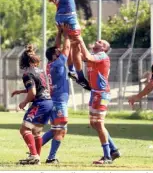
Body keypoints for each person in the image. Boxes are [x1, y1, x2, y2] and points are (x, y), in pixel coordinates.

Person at [73, 36, 120, 164]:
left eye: (101, 42)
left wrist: (81, 40)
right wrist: (75, 46)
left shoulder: (102, 55)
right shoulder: (93, 55)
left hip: (102, 94)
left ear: (104, 48)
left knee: (99, 123)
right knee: (94, 124)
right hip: (95, 93)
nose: (97, 41)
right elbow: (78, 60)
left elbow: (87, 57)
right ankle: (114, 150)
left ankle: (107, 157)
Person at [41, 26, 81, 163]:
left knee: (54, 130)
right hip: (58, 102)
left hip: (54, 101)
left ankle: (34, 150)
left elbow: (58, 47)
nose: (60, 51)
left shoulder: (50, 64)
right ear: (54, 56)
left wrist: (59, 32)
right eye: (58, 52)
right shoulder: (58, 64)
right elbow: (66, 49)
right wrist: (68, 35)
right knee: (61, 130)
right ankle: (51, 158)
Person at [11, 45, 53, 165]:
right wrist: (21, 91)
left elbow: (33, 92)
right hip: (48, 102)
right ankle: (37, 158)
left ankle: (34, 155)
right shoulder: (41, 71)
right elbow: (41, 88)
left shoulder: (27, 74)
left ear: (24, 61)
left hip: (40, 103)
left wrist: (24, 102)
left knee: (24, 129)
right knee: (37, 132)